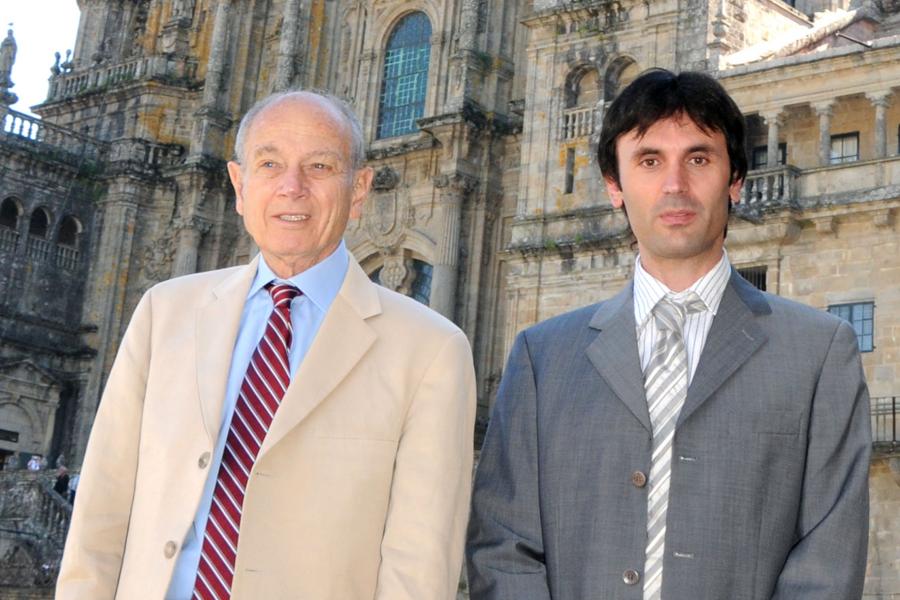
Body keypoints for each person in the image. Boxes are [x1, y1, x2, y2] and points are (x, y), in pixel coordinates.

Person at [466, 69, 871, 600]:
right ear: (615, 185)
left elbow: (828, 560)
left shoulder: (819, 354)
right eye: (650, 160)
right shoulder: (542, 358)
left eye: (699, 159)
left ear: (736, 181)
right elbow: (503, 548)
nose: (675, 184)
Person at [57, 90, 476, 600]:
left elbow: (419, 567)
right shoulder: (163, 313)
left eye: (320, 166)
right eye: (270, 163)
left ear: (359, 188)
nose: (291, 187)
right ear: (239, 184)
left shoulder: (431, 351)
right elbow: (101, 508)